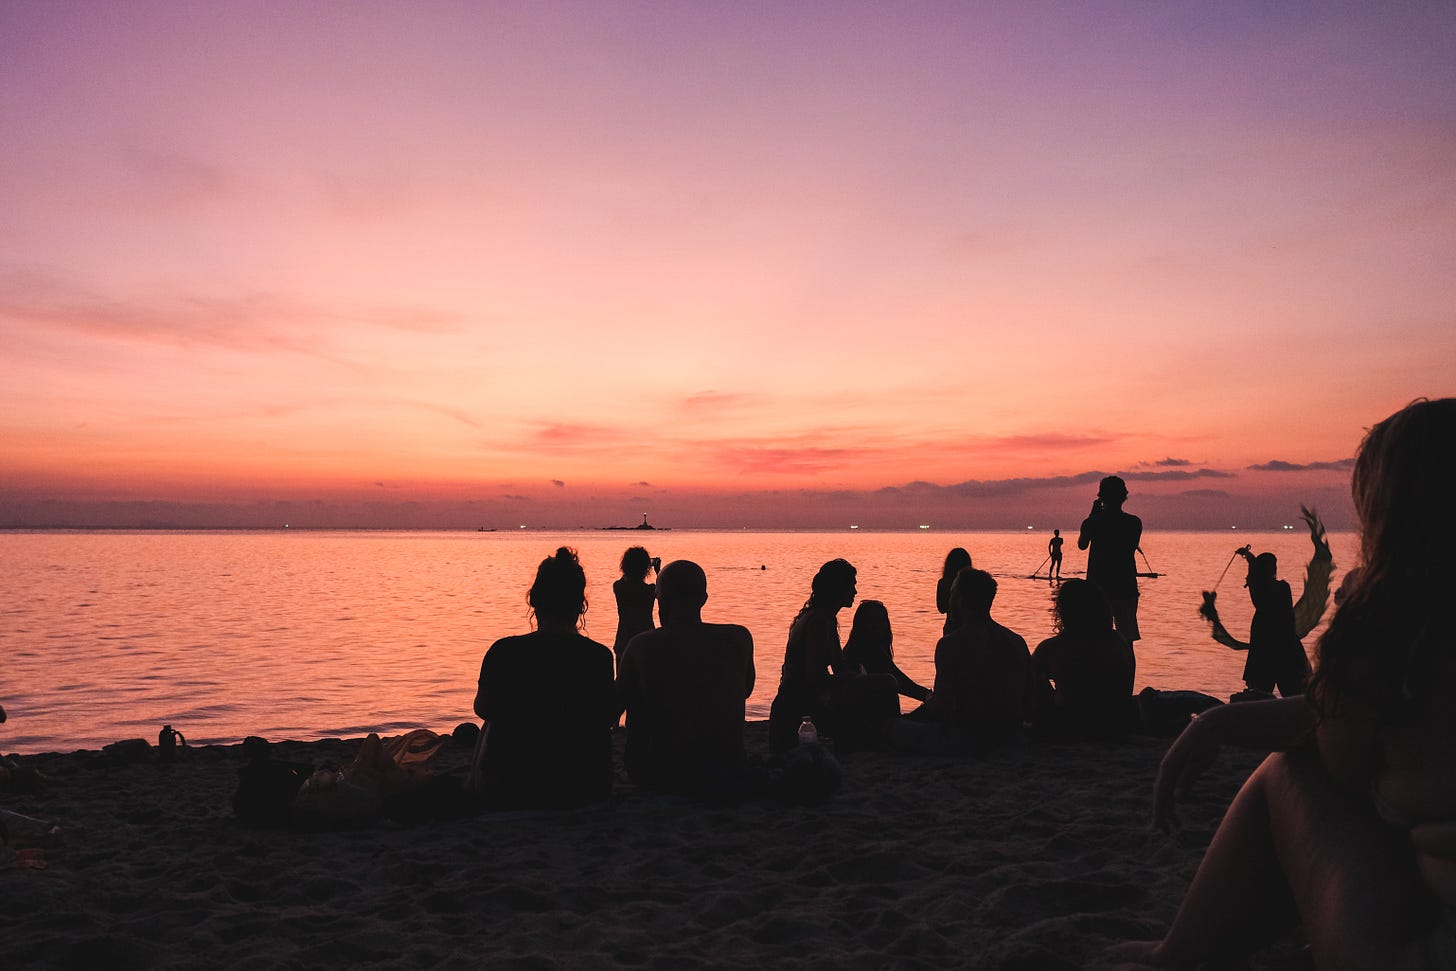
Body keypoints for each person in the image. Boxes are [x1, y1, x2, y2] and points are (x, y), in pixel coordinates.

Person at [1114, 398, 1456, 968]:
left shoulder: (1403, 630)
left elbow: (1333, 748)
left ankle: (1175, 957)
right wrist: (1219, 719)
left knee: (1290, 771)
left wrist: (1359, 623)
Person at [472, 547, 616, 809]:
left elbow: (482, 708)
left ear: (534, 600)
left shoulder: (504, 651)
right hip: (586, 788)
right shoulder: (598, 657)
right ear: (580, 604)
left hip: (510, 787)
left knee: (489, 724)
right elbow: (607, 716)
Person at [616, 560, 756, 796]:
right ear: (703, 599)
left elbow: (614, 705)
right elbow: (745, 690)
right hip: (727, 768)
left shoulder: (641, 645)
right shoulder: (739, 638)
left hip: (661, 773)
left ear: (660, 600)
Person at [891, 568, 1032, 755]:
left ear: (960, 600)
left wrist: (912, 716)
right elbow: (1030, 699)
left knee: (892, 728)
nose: (948, 601)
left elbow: (941, 707)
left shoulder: (950, 645)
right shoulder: (1017, 642)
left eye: (952, 594)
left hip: (967, 737)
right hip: (1011, 735)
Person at [769, 559, 866, 753]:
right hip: (798, 707)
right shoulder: (818, 622)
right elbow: (813, 678)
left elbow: (839, 667)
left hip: (799, 701)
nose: (855, 592)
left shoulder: (823, 618)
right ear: (838, 587)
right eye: (852, 585)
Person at [1030, 579, 1136, 740]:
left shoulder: (1052, 648)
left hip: (1069, 723)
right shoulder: (1119, 642)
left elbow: (1027, 682)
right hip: (1114, 723)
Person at [1227, 546, 1311, 698]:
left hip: (1264, 645)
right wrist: (1248, 557)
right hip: (1286, 646)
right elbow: (1257, 573)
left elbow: (1255, 574)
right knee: (1295, 695)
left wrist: (1248, 556)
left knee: (1258, 695)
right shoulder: (1282, 588)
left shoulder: (1257, 588)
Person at [1077, 475, 1143, 664]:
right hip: (1126, 586)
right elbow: (1130, 546)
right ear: (1124, 497)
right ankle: (1126, 688)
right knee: (1127, 640)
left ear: (1101, 498)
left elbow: (1082, 545)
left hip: (1098, 589)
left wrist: (1092, 517)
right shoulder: (1133, 522)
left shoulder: (1092, 523)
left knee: (1094, 639)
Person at [842, 600, 930, 706]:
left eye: (882, 620)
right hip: (877, 719)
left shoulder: (854, 648)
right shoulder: (870, 651)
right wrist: (927, 695)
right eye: (874, 621)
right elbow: (902, 682)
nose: (880, 626)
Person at [612, 546, 660, 670]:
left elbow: (624, 578)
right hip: (647, 639)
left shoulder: (618, 587)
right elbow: (665, 592)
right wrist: (658, 571)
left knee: (623, 681)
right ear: (645, 569)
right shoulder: (650, 591)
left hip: (623, 640)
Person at [937, 547, 973, 635]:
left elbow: (941, 609)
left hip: (951, 627)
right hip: (970, 626)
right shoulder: (972, 583)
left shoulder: (943, 583)